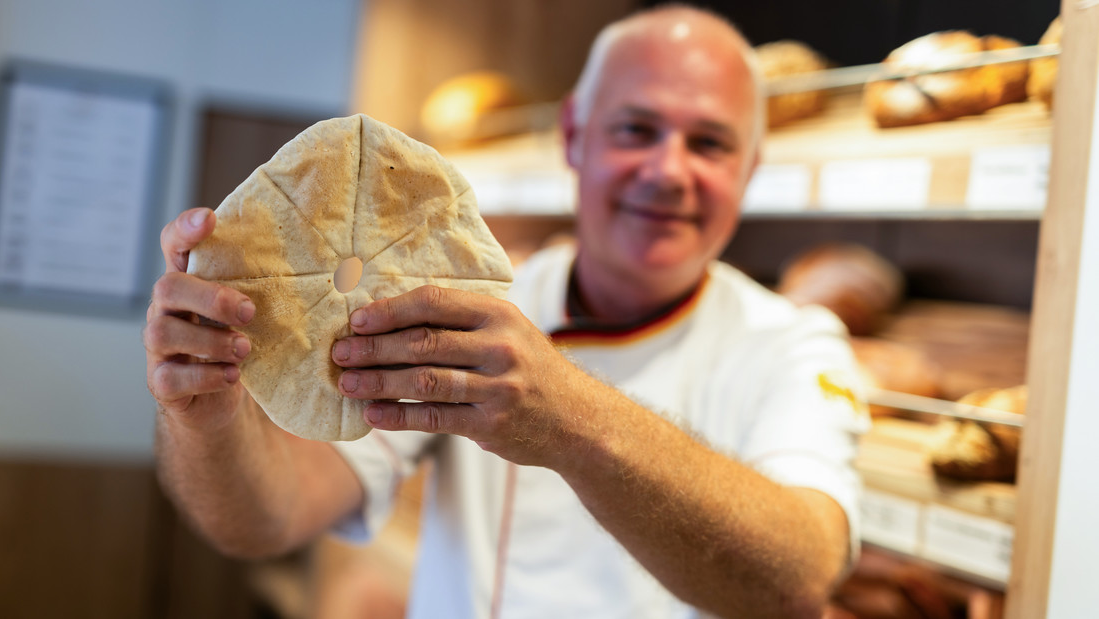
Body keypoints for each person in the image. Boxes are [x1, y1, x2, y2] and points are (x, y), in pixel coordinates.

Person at [145, 4, 868, 618]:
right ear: (573, 137)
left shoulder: (794, 344)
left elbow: (801, 574)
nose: (668, 171)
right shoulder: (461, 305)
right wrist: (207, 417)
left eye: (709, 142)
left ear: (750, 168)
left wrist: (567, 419)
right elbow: (269, 516)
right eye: (635, 130)